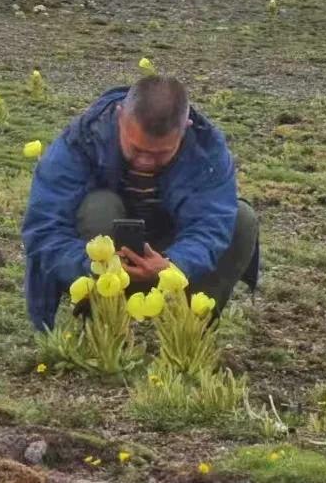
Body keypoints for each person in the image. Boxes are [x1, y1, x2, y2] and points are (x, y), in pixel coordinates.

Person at [21, 75, 260, 331]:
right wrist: (95, 266)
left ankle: (189, 332)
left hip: (169, 253)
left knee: (241, 220)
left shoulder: (206, 148)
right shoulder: (84, 138)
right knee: (99, 206)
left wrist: (173, 264)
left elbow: (211, 226)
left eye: (160, 154)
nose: (145, 161)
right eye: (136, 149)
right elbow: (44, 228)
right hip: (102, 261)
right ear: (120, 115)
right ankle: (100, 327)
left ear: (186, 127)